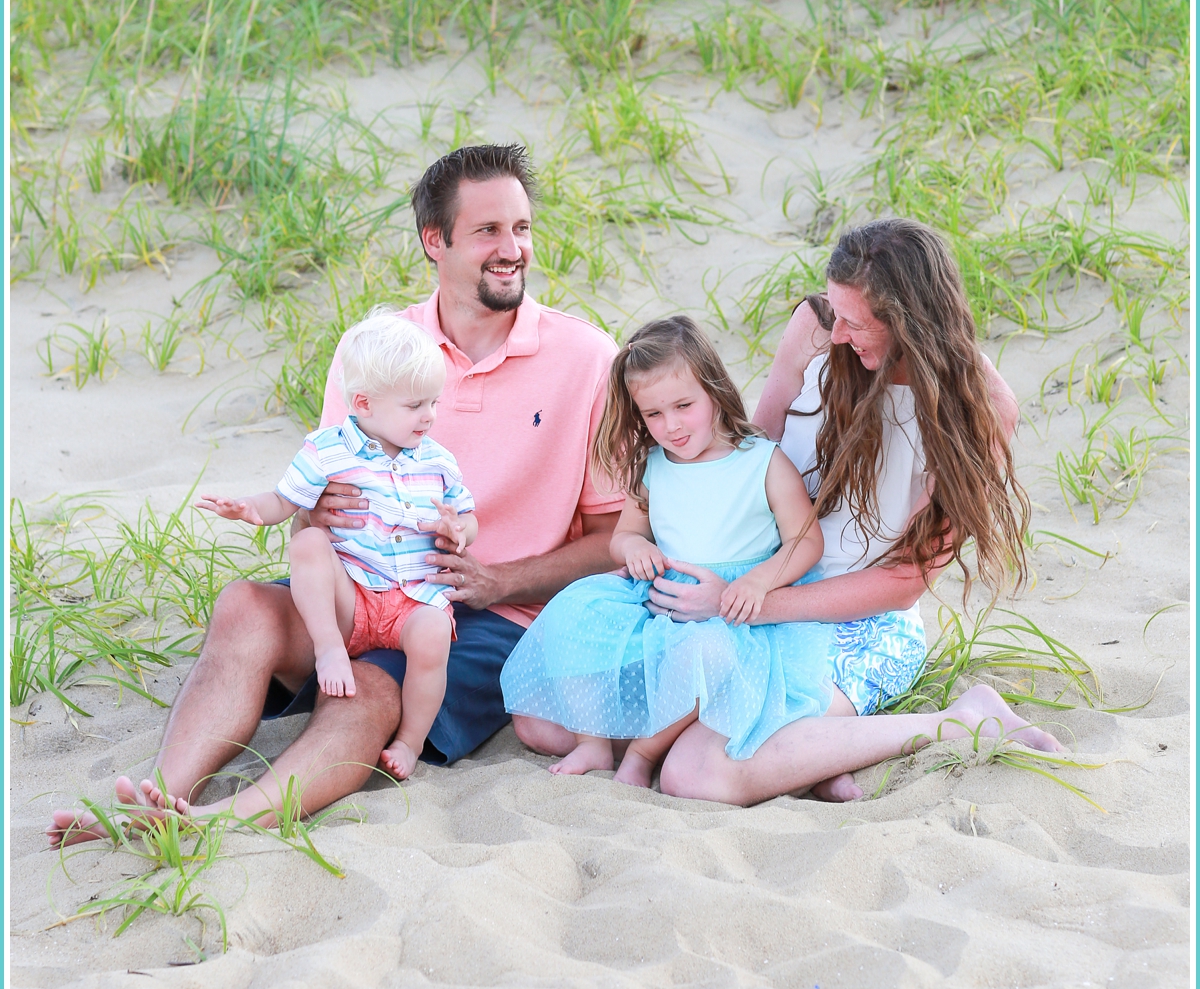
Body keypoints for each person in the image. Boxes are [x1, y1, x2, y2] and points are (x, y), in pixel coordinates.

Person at [47, 143, 625, 845]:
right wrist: (309, 518)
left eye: (523, 229)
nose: (513, 250)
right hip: (360, 587)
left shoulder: (590, 359)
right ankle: (160, 798)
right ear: (434, 242)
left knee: (374, 684)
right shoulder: (375, 347)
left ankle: (219, 825)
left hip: (489, 616)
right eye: (489, 232)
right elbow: (316, 504)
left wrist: (498, 577)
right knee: (245, 607)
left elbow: (613, 540)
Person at [522, 219, 1064, 804]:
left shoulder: (983, 412)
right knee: (545, 718)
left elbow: (906, 582)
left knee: (694, 774)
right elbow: (751, 454)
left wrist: (747, 606)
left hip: (851, 622)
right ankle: (817, 750)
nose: (837, 335)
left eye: (855, 323)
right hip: (748, 581)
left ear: (910, 321)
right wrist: (684, 544)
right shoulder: (815, 328)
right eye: (836, 314)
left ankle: (961, 719)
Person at [501, 316, 834, 785]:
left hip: (729, 611)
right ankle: (593, 744)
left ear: (714, 392)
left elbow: (806, 539)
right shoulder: (653, 467)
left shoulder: (762, 461)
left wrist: (759, 580)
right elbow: (623, 536)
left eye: (684, 405)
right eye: (654, 414)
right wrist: (635, 548)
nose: (671, 426)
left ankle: (642, 753)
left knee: (709, 656)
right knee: (573, 610)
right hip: (657, 605)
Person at [195, 312, 477, 780]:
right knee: (308, 542)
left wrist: (460, 530)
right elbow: (285, 500)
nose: (429, 416)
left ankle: (409, 741)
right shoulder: (328, 450)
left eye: (434, 402)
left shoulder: (438, 462)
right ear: (364, 403)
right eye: (414, 406)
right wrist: (249, 509)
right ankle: (328, 649)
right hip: (354, 595)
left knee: (432, 639)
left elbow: (468, 516)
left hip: (413, 600)